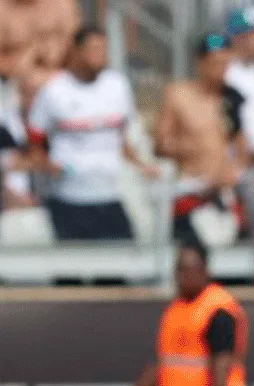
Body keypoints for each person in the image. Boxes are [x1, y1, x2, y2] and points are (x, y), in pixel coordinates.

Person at [25, 26, 159, 243]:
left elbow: (123, 141)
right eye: (94, 49)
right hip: (69, 199)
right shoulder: (55, 90)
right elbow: (35, 142)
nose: (100, 55)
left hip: (111, 195)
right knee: (72, 271)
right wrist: (49, 166)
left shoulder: (117, 86)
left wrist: (142, 165)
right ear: (76, 51)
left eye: (103, 49)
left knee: (120, 267)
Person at [129, 240, 249, 386]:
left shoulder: (218, 310)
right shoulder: (175, 310)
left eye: (190, 271)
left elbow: (222, 365)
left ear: (205, 271)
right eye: (180, 270)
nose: (183, 277)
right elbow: (162, 363)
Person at [154, 34, 245, 243]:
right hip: (191, 189)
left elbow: (242, 147)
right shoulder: (179, 95)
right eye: (216, 63)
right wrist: (192, 148)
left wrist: (234, 170)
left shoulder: (233, 98)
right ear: (201, 63)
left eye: (226, 62)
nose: (222, 69)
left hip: (223, 193)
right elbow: (159, 144)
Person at [0, 0, 80, 94]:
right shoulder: (3, 8)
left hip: (60, 79)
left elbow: (77, 47)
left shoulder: (63, 4)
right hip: (12, 84)